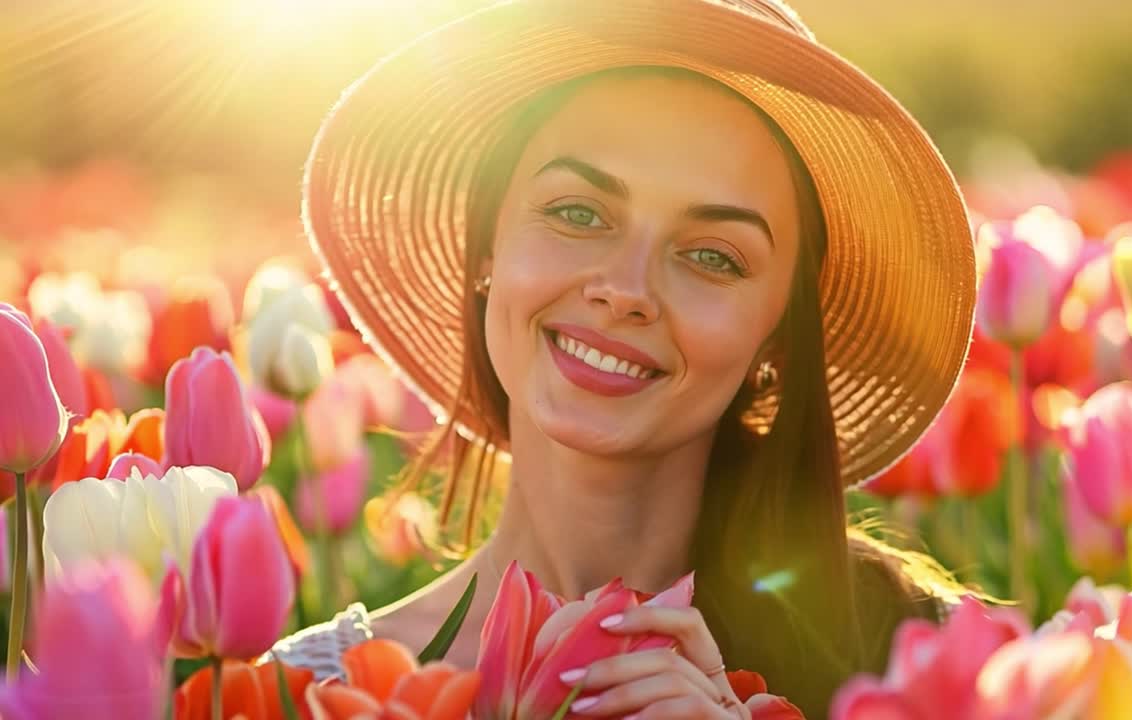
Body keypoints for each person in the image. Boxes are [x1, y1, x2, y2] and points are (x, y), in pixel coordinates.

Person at [275, 0, 977, 716]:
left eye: (712, 256)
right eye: (577, 213)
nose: (626, 290)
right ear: (487, 244)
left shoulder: (931, 662)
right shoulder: (299, 692)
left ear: (778, 336)